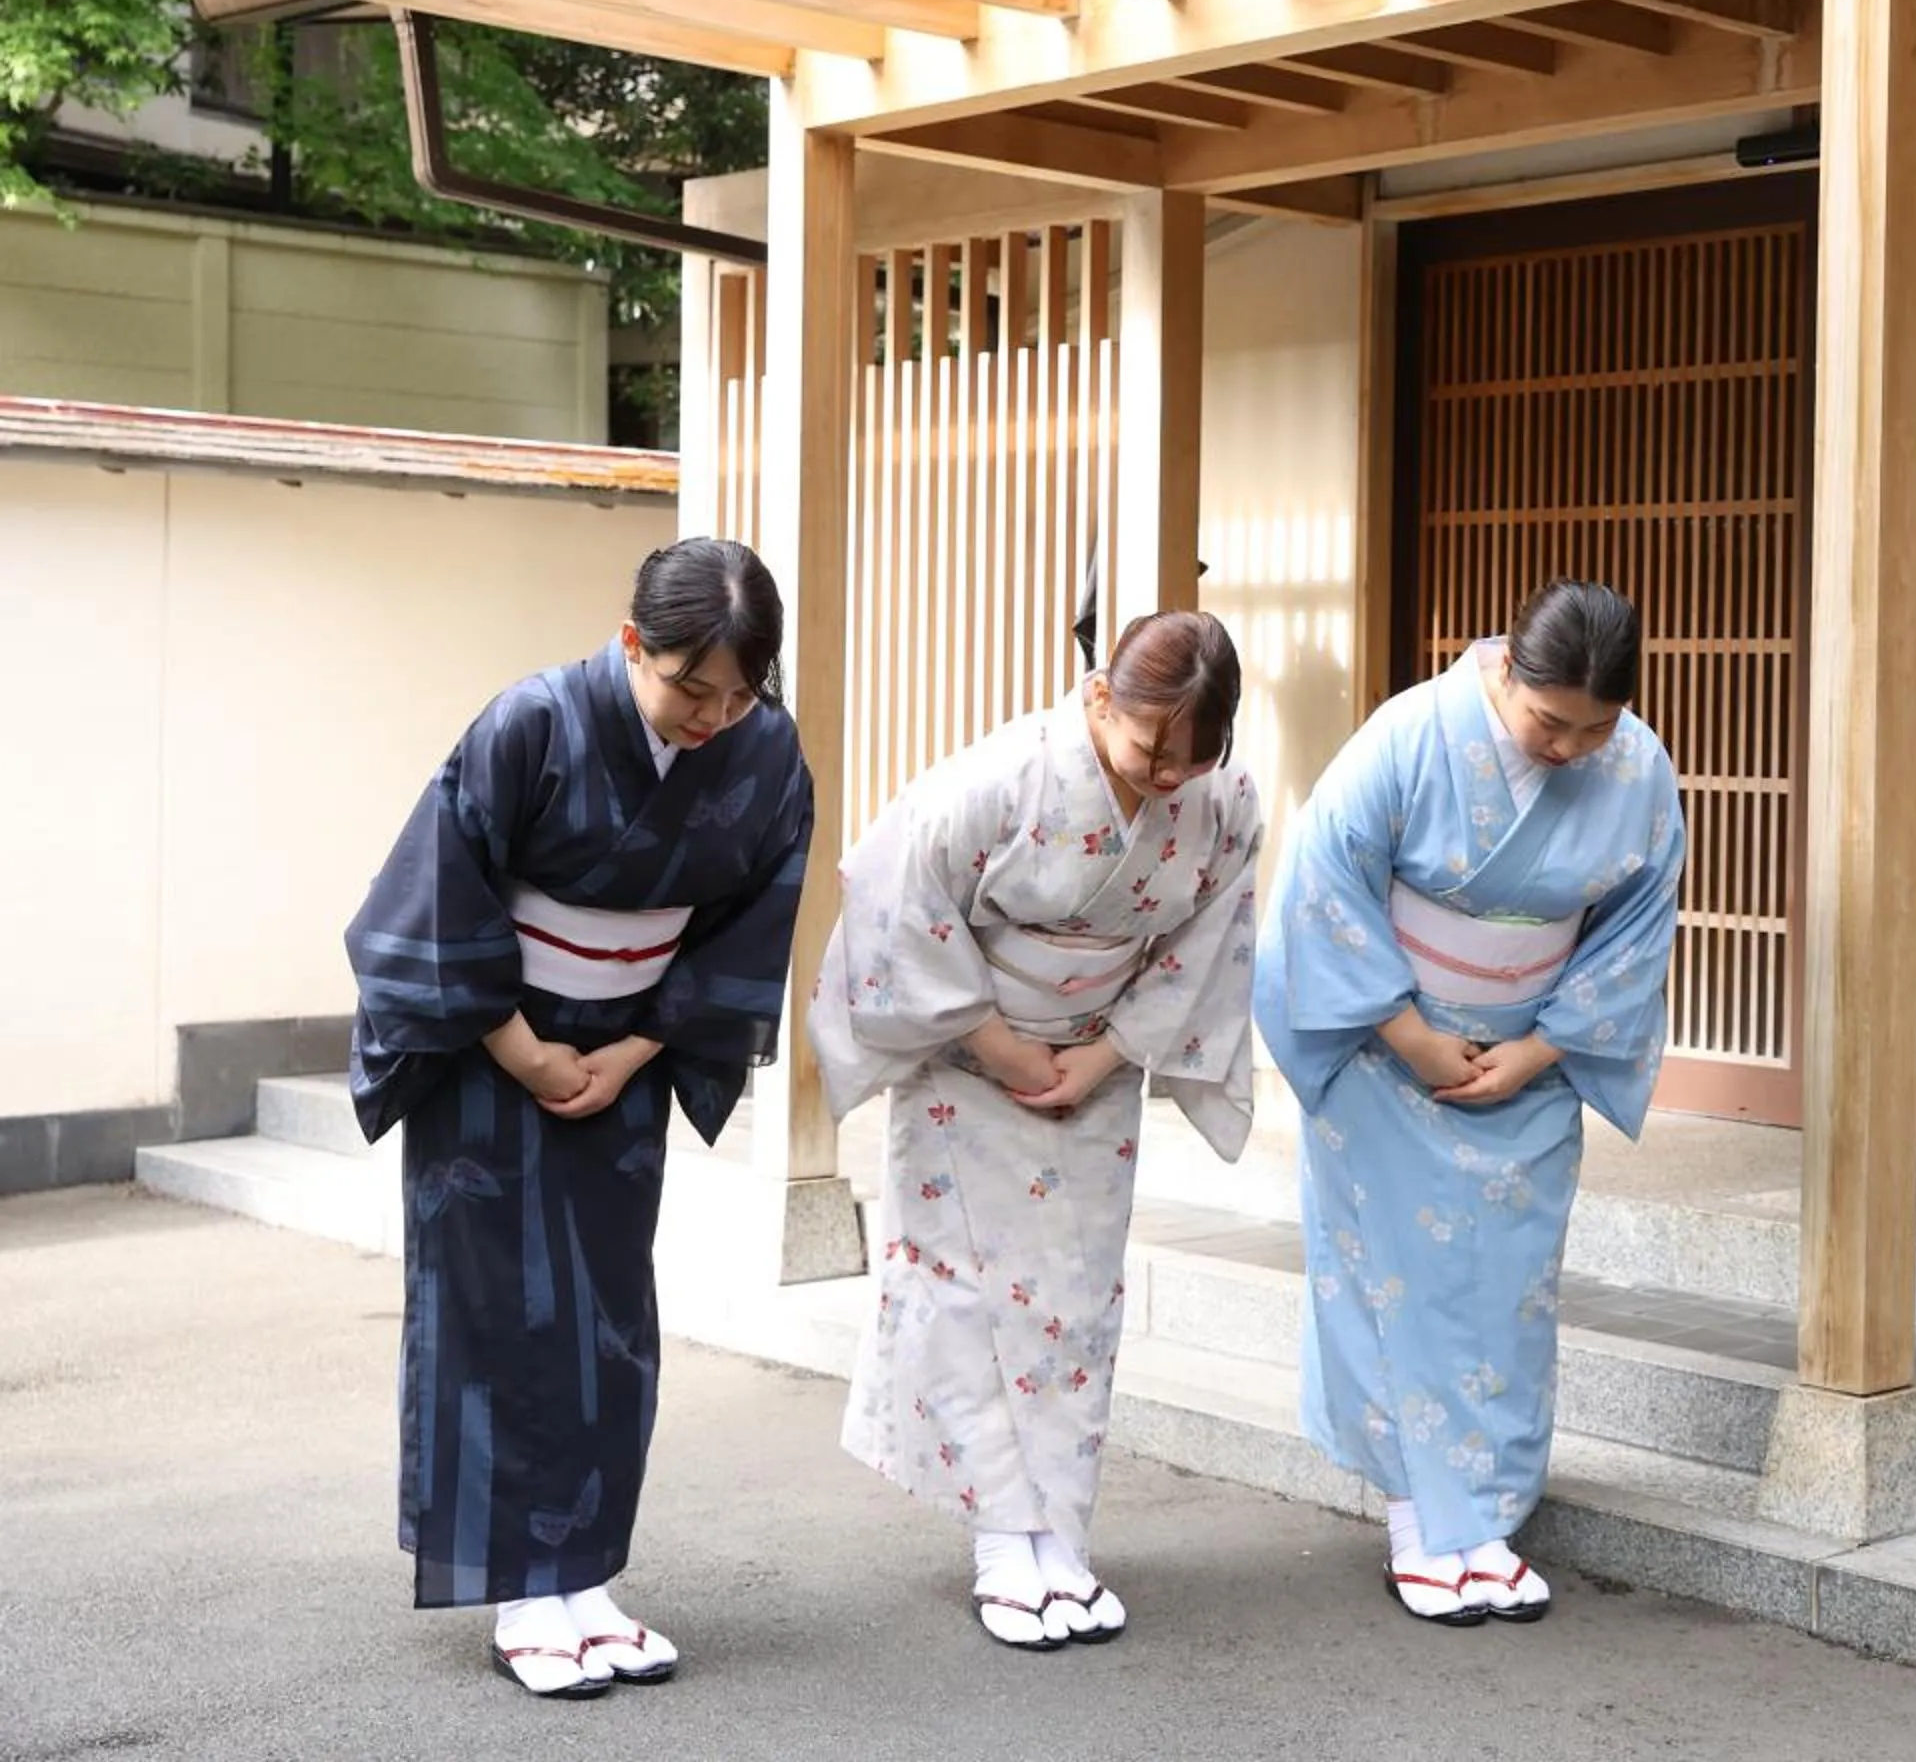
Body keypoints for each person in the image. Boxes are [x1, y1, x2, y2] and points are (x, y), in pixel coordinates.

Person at [343, 536, 816, 1699]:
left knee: (607, 1317)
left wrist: (635, 1048)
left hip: (623, 1059)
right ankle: (519, 1590)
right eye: (687, 685)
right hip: (489, 1051)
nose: (713, 713)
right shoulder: (533, 722)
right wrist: (525, 1048)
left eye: (739, 692)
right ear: (629, 643)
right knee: (502, 1312)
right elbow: (435, 886)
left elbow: (755, 917)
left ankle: (587, 1577)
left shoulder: (766, 753)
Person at [809, 611, 1263, 1650]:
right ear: (1102, 698)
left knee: (1074, 1299)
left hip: (1094, 1064)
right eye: (1151, 748)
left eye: (1189, 763)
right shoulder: (1003, 779)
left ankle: (1060, 1532)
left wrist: (1104, 1055)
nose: (1165, 778)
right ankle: (1001, 1539)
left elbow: (1208, 935)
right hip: (970, 1056)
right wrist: (1004, 1045)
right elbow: (891, 892)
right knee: (967, 1289)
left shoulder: (1224, 804)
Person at [1254, 579, 1685, 1626]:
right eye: (1548, 720)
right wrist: (1410, 1033)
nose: (1570, 746)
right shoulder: (1410, 735)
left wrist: (1539, 1048)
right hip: (1387, 1054)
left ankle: (1484, 1519)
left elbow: (1636, 928)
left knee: (1508, 1290)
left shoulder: (1638, 767)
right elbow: (1322, 886)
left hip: (1528, 1060)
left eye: (1595, 725)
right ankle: (1420, 1519)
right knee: (1389, 1279)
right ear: (1503, 672)